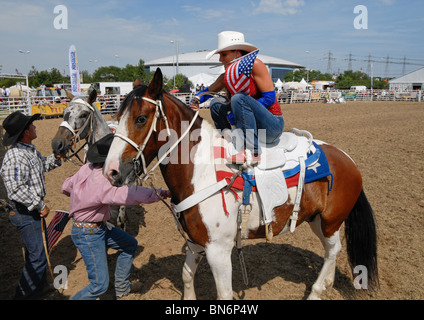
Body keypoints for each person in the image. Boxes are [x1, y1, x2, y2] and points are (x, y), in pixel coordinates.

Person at [62, 133, 170, 300]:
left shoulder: (86, 168)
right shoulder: (105, 180)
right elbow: (129, 194)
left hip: (92, 228)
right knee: (99, 285)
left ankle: (122, 287)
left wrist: (83, 199)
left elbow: (66, 187)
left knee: (129, 244)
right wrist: (160, 193)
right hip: (89, 233)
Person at [190, 31, 284, 164]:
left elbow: (269, 98)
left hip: (272, 125)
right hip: (252, 125)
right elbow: (207, 91)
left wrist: (238, 109)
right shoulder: (226, 76)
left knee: (238, 98)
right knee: (216, 105)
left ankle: (253, 152)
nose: (220, 59)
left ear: (238, 53)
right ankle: (228, 141)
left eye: (224, 54)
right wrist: (196, 100)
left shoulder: (256, 65)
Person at [1, 111, 62, 299]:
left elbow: (43, 164)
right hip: (25, 213)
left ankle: (39, 287)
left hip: (29, 211)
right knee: (38, 257)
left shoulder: (29, 150)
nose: (35, 126)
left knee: (34, 253)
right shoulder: (15, 156)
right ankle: (22, 295)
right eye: (32, 125)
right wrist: (39, 204)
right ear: (26, 131)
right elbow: (15, 189)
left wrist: (57, 157)